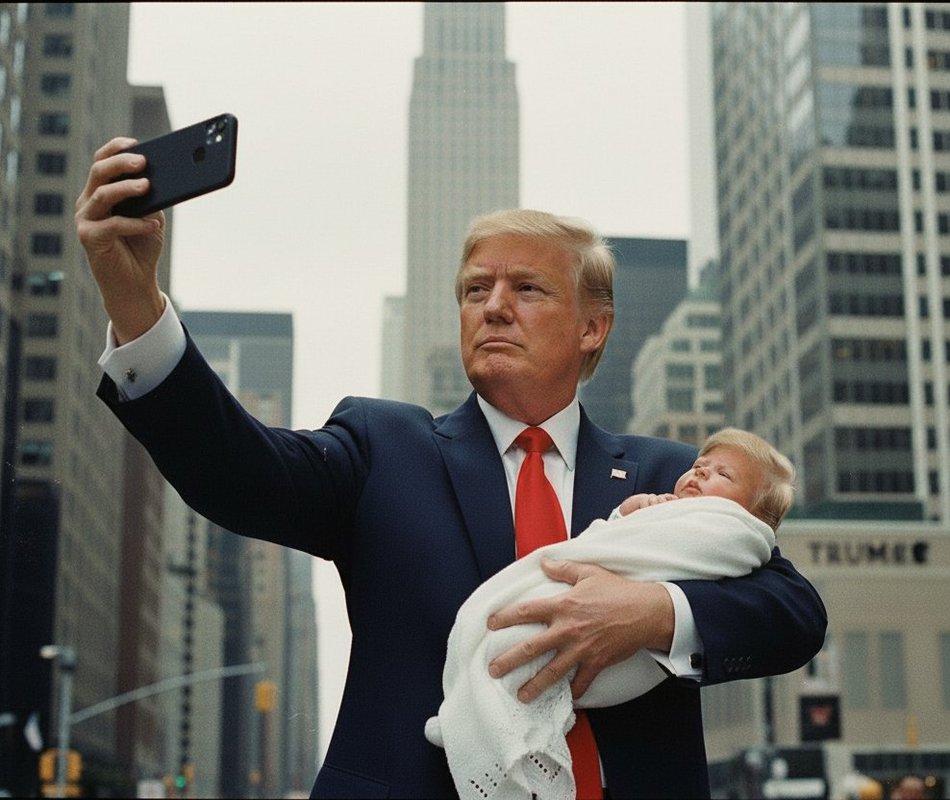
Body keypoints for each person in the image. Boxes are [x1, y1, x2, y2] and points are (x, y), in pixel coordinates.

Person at [76, 137, 828, 798]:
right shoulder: (383, 448)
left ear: (593, 328)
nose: (493, 307)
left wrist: (653, 613)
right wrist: (135, 303)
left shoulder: (675, 478)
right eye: (476, 289)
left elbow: (793, 612)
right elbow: (237, 472)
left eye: (526, 289)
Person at [427, 428, 795, 799]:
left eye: (723, 474)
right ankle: (475, 715)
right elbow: (605, 541)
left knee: (519, 653)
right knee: (504, 632)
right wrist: (625, 516)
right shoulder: (413, 449)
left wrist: (659, 611)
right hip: (438, 777)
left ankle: (483, 720)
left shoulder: (723, 522)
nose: (700, 471)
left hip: (642, 752)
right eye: (700, 465)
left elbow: (793, 605)